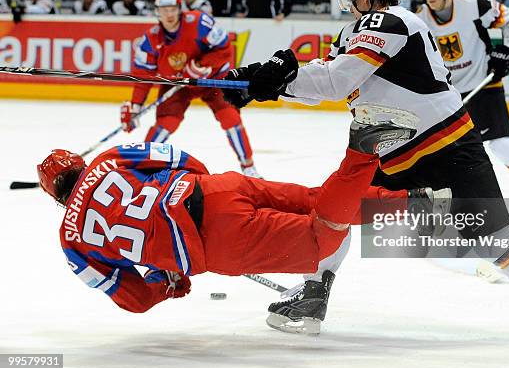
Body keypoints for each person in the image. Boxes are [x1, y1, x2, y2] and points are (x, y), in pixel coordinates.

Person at [223, 0, 509, 344]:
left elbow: (336, 81)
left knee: (490, 236)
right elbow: (329, 80)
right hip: (389, 147)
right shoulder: (358, 32)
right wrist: (256, 79)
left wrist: (279, 83)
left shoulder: (389, 21)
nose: (349, 3)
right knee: (337, 210)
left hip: (445, 145)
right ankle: (314, 294)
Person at [37, 119, 421, 315]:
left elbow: (134, 299)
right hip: (218, 189)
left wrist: (167, 281)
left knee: (322, 236)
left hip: (218, 243)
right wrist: (207, 188)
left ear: (54, 196)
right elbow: (181, 159)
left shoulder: (71, 242)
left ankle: (361, 152)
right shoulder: (108, 159)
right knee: (313, 198)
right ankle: (416, 202)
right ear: (80, 163)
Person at [121, 0, 260, 177]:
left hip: (213, 80)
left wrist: (203, 66)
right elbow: (143, 77)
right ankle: (142, 168)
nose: (169, 14)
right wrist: (135, 107)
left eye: (172, 9)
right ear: (157, 12)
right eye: (164, 10)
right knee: (166, 123)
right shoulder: (150, 40)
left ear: (180, 9)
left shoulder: (200, 22)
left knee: (231, 118)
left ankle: (249, 167)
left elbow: (226, 48)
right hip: (177, 85)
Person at [415, 0, 509, 180]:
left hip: (483, 84)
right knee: (444, 155)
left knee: (502, 143)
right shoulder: (419, 17)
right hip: (448, 95)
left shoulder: (472, 3)